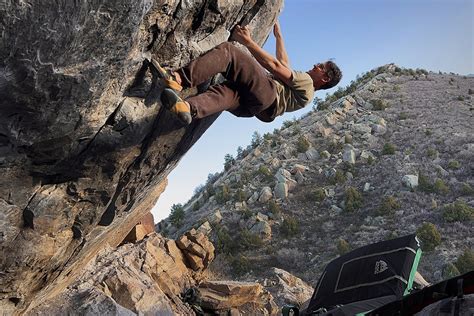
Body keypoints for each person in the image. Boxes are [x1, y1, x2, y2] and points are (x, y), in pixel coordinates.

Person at [157, 21, 342, 125]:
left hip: (268, 95)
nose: (315, 65)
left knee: (230, 52)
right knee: (227, 93)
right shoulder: (305, 94)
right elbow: (284, 63)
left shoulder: (308, 82)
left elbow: (275, 66)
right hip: (257, 109)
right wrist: (279, 37)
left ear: (325, 78)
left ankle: (178, 79)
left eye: (320, 66)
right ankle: (189, 108)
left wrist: (248, 41)